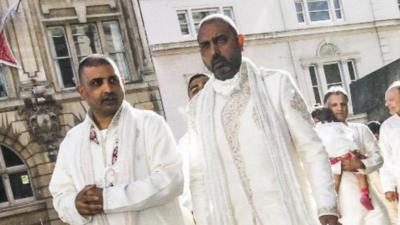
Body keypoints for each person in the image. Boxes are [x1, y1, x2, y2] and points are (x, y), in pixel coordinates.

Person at [188, 14, 339, 225]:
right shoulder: (197, 109)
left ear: (240, 41)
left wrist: (327, 209)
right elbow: (199, 178)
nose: (214, 52)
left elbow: (311, 149)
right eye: (206, 46)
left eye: (221, 40)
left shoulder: (276, 85)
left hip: (286, 216)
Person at [49, 54, 185, 225]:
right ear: (82, 92)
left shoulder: (149, 124)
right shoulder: (72, 141)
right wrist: (75, 205)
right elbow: (60, 195)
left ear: (122, 83)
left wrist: (107, 199)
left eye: (113, 80)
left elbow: (172, 180)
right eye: (97, 83)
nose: (108, 89)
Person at [324, 86, 389, 225]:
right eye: (334, 105)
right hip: (342, 200)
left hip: (368, 197)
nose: (339, 108)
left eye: (343, 104)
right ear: (327, 108)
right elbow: (315, 166)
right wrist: (338, 166)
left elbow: (378, 157)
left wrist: (361, 164)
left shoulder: (360, 129)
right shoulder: (319, 134)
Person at [312, 107, 373, 210]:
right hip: (347, 153)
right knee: (360, 174)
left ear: (316, 119)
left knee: (335, 182)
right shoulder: (339, 124)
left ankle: (334, 206)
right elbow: (349, 134)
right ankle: (364, 195)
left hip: (334, 158)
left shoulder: (317, 128)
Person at [178, 73, 209, 225]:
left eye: (206, 85)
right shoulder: (184, 144)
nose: (201, 90)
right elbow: (183, 189)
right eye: (195, 89)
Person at [380, 81, 400, 224]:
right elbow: (385, 159)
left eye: (391, 100)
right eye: (386, 101)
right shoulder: (387, 126)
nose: (387, 104)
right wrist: (388, 186)